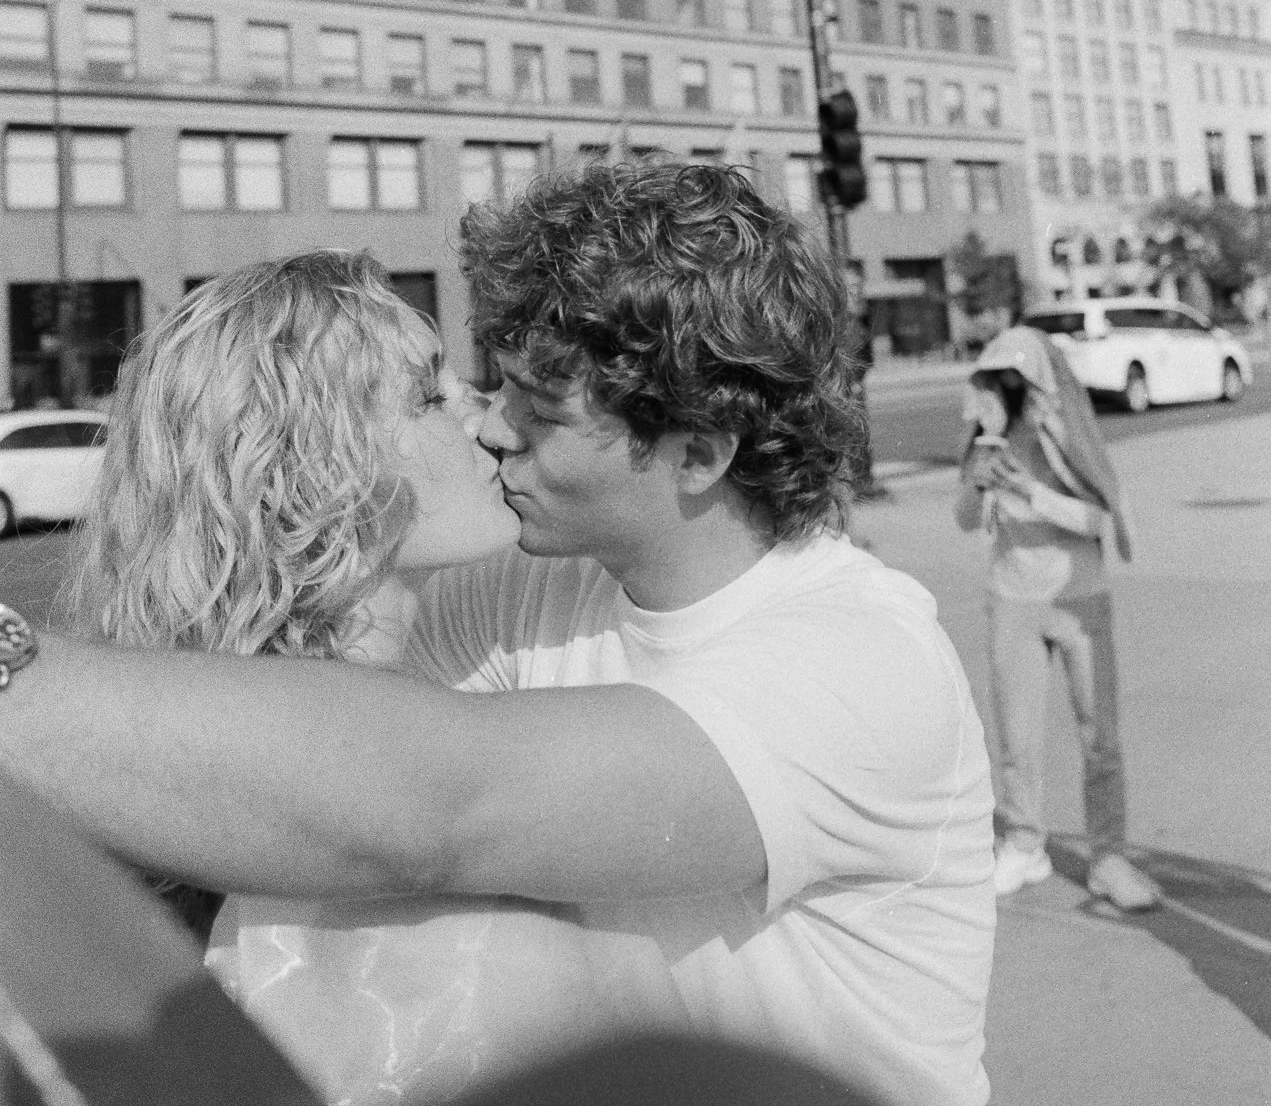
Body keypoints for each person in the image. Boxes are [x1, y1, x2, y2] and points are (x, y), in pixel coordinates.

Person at [0, 161, 995, 1106]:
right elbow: (273, 687)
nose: (490, 427)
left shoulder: (857, 665)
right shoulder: (527, 587)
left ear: (695, 452)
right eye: (476, 386)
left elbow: (439, 800)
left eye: (542, 411)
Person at [64, 251, 685, 1104]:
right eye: (429, 396)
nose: (489, 419)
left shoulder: (171, 749)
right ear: (308, 471)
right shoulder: (346, 822)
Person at [956, 324, 1159, 912]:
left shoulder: (1067, 433)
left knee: (1100, 735)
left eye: (1009, 380)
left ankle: (1108, 857)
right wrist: (978, 484)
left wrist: (1034, 493)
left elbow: (1102, 519)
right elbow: (967, 520)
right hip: (1013, 597)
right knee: (1016, 735)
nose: (998, 392)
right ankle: (1023, 843)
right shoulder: (986, 441)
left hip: (1079, 600)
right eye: (992, 381)